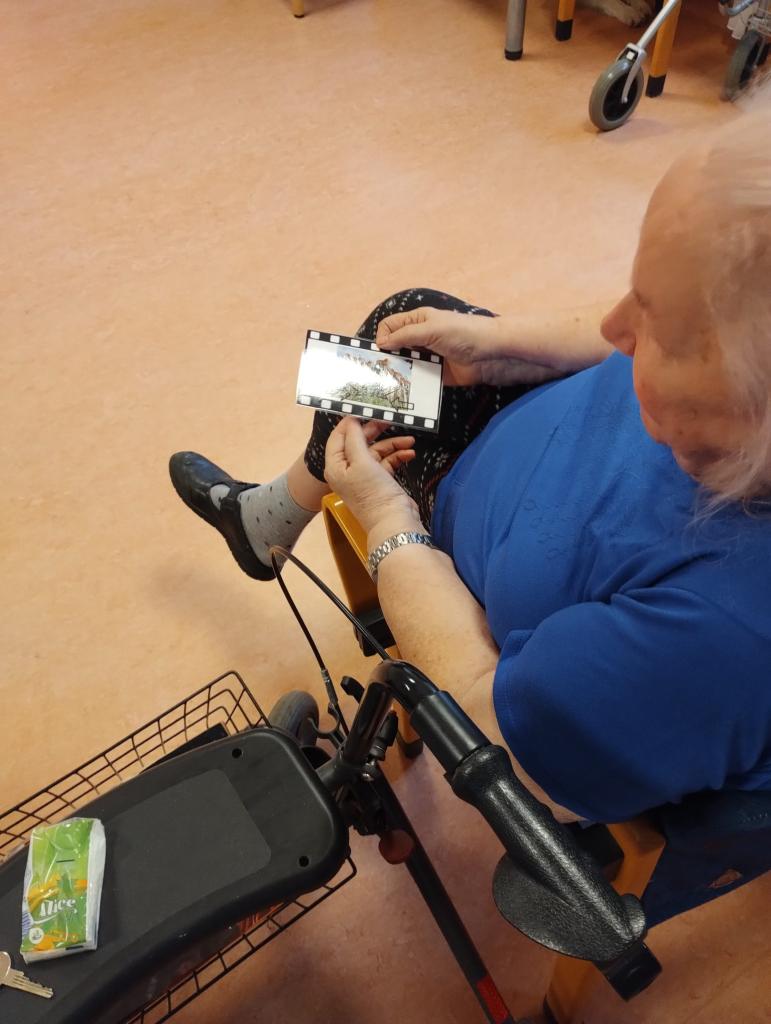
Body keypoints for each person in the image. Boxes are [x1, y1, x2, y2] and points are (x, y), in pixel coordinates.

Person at [169, 108, 771, 825]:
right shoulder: (730, 399)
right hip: (539, 434)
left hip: (452, 534)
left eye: (658, 330)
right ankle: (269, 516)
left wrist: (387, 521)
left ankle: (267, 519)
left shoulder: (716, 637)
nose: (614, 329)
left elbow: (496, 741)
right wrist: (504, 346)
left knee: (373, 393)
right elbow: (630, 329)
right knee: (403, 332)